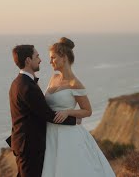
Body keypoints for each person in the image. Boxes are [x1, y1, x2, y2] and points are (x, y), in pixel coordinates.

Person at [42, 37, 115, 177]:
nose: (50, 62)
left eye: (53, 58)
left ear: (64, 58)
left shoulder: (75, 84)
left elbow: (88, 111)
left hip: (68, 136)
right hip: (50, 133)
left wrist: (68, 112)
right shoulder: (54, 78)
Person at [8, 45, 79, 177]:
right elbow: (47, 114)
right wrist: (75, 119)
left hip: (23, 144)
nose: (40, 60)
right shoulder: (27, 86)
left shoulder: (17, 82)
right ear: (28, 60)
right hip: (29, 146)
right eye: (37, 56)